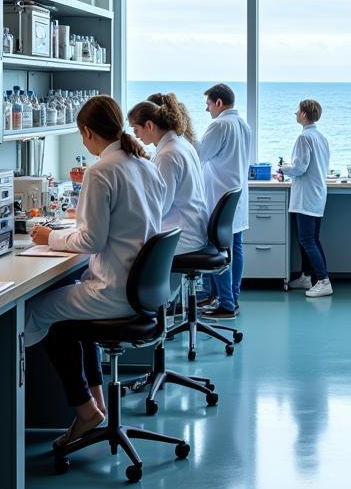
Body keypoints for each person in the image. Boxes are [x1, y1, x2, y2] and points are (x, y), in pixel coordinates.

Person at [25, 95, 167, 447]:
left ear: (87, 132)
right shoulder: (145, 164)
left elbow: (90, 239)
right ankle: (95, 404)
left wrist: (48, 235)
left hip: (113, 291)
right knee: (70, 318)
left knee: (36, 313)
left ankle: (86, 408)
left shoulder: (101, 170)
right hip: (141, 290)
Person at [127, 92, 209, 255]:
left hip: (183, 238)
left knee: (123, 249)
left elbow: (159, 208)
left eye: (136, 129)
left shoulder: (167, 155)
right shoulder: (180, 143)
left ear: (149, 125)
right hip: (193, 229)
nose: (135, 135)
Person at [197, 83, 251, 319]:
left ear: (219, 103)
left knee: (217, 248)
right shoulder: (243, 124)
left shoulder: (219, 124)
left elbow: (199, 155)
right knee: (235, 248)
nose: (207, 110)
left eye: (208, 104)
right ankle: (229, 297)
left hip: (219, 198)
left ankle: (225, 303)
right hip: (235, 198)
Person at [277, 98, 333, 298]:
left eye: (297, 110)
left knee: (307, 240)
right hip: (317, 193)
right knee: (310, 239)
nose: (295, 113)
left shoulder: (304, 138)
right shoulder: (321, 137)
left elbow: (300, 168)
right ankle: (307, 277)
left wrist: (284, 169)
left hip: (307, 196)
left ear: (304, 114)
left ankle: (324, 281)